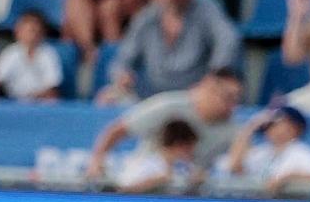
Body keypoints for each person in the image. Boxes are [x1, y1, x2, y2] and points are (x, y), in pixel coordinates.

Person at [99, 0, 240, 101]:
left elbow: (228, 40)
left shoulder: (207, 14)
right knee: (108, 98)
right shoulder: (146, 18)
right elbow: (123, 59)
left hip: (196, 98)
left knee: (219, 96)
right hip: (151, 98)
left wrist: (214, 76)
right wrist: (122, 75)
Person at [85, 66, 244, 176]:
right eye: (228, 97)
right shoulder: (168, 105)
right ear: (209, 88)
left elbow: (238, 166)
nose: (232, 106)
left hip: (192, 194)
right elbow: (117, 130)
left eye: (237, 99)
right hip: (148, 183)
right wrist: (97, 160)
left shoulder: (232, 129)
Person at [219, 104, 310, 195]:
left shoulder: (301, 152)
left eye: (280, 123)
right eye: (272, 124)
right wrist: (250, 128)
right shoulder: (262, 152)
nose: (274, 128)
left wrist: (288, 178)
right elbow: (235, 167)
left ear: (296, 128)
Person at [0, 9, 62, 100]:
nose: (32, 35)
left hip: (41, 103)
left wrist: (34, 96)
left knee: (52, 98)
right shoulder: (11, 53)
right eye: (29, 30)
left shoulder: (49, 54)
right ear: (18, 31)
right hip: (14, 104)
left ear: (42, 33)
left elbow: (52, 87)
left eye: (35, 30)